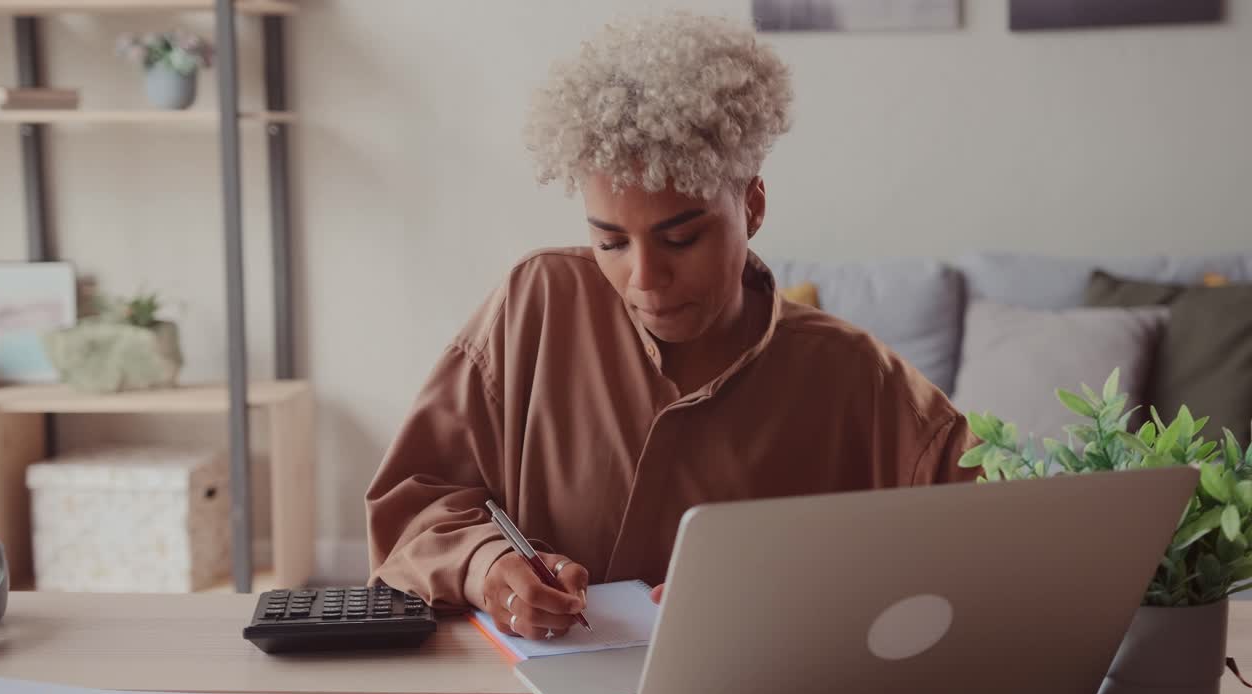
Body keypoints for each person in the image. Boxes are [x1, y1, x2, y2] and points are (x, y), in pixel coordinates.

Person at [366, 11, 977, 644]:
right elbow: (412, 505)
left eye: (681, 237)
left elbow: (987, 552)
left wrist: (798, 588)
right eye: (611, 242)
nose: (644, 278)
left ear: (753, 205)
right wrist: (488, 566)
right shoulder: (535, 306)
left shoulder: (855, 376)